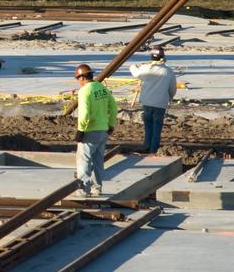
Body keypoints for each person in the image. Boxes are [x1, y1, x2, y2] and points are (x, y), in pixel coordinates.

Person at [73, 62, 118, 197]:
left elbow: (85, 113)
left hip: (90, 131)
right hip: (103, 130)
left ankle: (83, 190)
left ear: (82, 77)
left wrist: (81, 130)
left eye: (77, 79)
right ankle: (97, 188)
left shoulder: (85, 91)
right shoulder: (101, 88)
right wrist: (110, 125)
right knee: (98, 161)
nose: (78, 82)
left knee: (84, 161)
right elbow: (113, 107)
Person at [129, 45, 177, 154]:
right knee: (157, 127)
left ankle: (147, 145)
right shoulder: (168, 72)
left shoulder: (146, 68)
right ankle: (153, 149)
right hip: (160, 103)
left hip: (147, 102)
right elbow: (172, 89)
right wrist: (170, 97)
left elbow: (135, 72)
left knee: (148, 125)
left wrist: (133, 66)